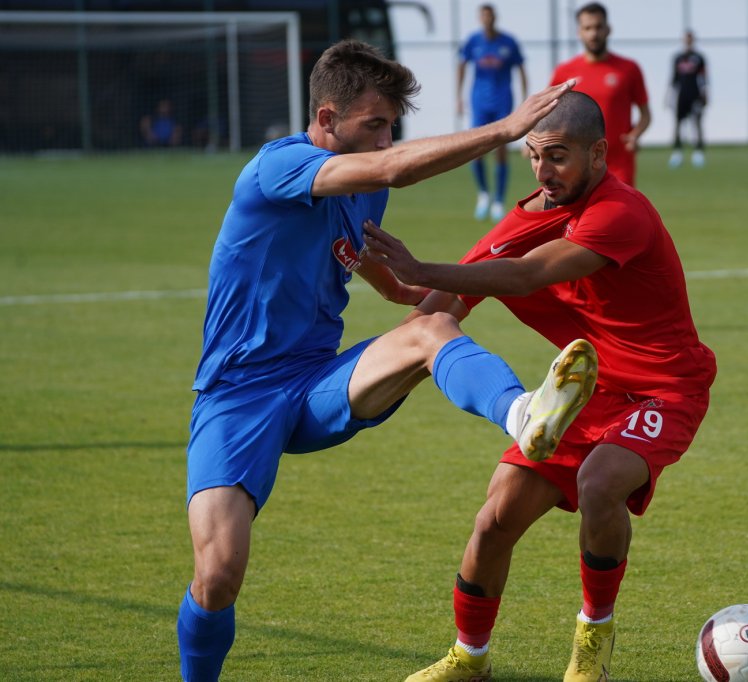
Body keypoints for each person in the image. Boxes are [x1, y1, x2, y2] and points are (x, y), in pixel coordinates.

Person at [176, 40, 596, 682]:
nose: (384, 139)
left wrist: (403, 290)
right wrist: (508, 129)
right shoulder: (278, 167)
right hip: (237, 397)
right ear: (325, 118)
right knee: (218, 576)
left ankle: (523, 415)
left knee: (431, 327)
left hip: (317, 383)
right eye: (373, 124)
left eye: (391, 127)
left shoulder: (362, 194)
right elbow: (392, 170)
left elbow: (357, 251)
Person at [364, 91, 717, 682]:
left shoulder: (621, 213)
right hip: (586, 391)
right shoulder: (531, 214)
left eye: (557, 157)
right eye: (533, 156)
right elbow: (447, 303)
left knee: (599, 480)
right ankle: (467, 659)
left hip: (665, 389)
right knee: (494, 518)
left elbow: (525, 274)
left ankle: (593, 640)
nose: (542, 171)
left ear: (599, 153)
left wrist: (419, 268)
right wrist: (384, 369)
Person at [549, 2, 650, 187]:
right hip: (578, 165)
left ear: (608, 29)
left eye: (598, 27)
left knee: (619, 215)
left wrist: (635, 135)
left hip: (619, 164)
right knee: (581, 216)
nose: (593, 34)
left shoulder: (628, 69)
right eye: (587, 28)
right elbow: (548, 113)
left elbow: (645, 115)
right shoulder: (564, 72)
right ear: (579, 32)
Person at [457, 3, 527, 221]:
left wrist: (525, 98)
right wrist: (458, 97)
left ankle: (498, 200)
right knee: (475, 149)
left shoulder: (509, 42)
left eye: (490, 15)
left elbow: (521, 69)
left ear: (495, 17)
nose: (487, 19)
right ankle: (483, 193)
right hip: (479, 102)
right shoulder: (473, 41)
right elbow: (461, 65)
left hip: (503, 101)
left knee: (501, 150)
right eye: (484, 16)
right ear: (480, 18)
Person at [669, 30, 709, 169]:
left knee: (696, 122)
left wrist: (705, 94)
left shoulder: (699, 58)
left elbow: (704, 77)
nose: (688, 41)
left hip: (695, 94)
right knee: (678, 124)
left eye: (690, 38)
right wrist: (669, 97)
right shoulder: (678, 58)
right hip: (681, 95)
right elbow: (673, 79)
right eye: (686, 38)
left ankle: (698, 152)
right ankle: (677, 152)